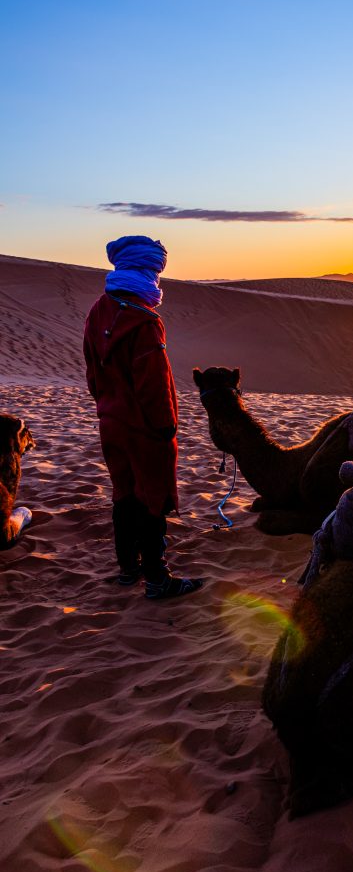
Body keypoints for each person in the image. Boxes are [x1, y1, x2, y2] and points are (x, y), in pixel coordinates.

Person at [83, 235, 203, 599]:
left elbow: (92, 372)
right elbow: (153, 385)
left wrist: (107, 405)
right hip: (145, 428)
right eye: (155, 268)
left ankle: (127, 569)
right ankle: (157, 579)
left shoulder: (98, 310)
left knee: (124, 493)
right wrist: (165, 429)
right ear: (148, 269)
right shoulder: (144, 321)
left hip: (111, 421)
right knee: (152, 497)